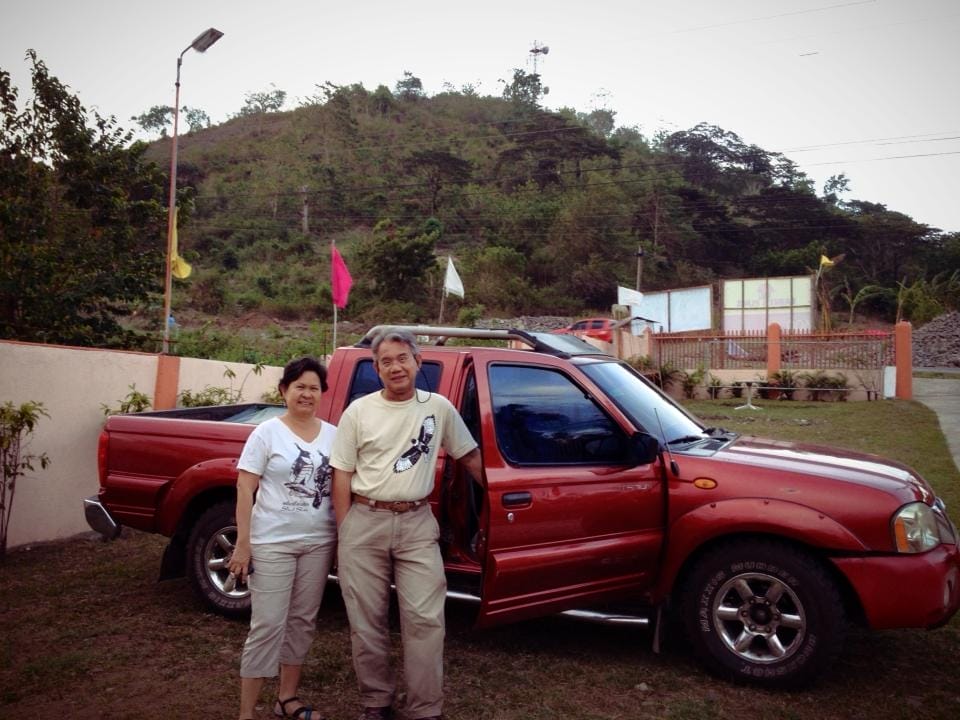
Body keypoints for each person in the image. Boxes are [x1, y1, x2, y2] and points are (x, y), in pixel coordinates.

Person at [331, 329, 483, 720]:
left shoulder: (438, 408)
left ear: (417, 361)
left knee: (426, 620)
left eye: (402, 358)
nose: (395, 367)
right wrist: (347, 530)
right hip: (364, 521)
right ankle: (376, 703)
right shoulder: (358, 412)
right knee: (366, 621)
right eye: (386, 361)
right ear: (377, 368)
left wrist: (504, 494)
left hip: (417, 523)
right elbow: (342, 476)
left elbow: (469, 456)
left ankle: (425, 709)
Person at [229, 356, 337, 720]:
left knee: (303, 621)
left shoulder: (334, 435)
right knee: (267, 624)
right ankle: (247, 712)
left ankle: (286, 699)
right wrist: (243, 545)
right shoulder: (266, 433)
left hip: (318, 543)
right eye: (299, 387)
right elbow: (245, 488)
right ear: (284, 391)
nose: (307, 394)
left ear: (322, 393)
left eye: (314, 388)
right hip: (272, 543)